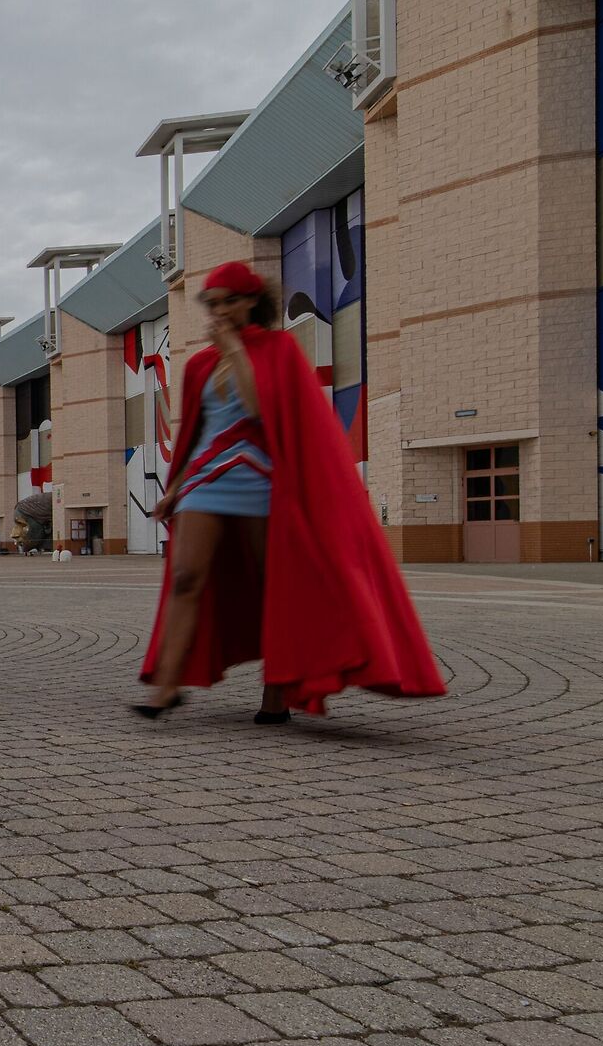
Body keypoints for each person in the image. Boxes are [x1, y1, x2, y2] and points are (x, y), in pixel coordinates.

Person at [137, 261, 444, 721]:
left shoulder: (278, 349)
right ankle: (166, 688)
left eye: (228, 302)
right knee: (186, 578)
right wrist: (174, 487)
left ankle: (276, 694)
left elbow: (264, 411)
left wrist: (236, 353)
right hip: (206, 481)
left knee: (273, 589)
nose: (219, 312)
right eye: (213, 304)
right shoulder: (200, 363)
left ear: (250, 303)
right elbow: (197, 432)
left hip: (262, 482)